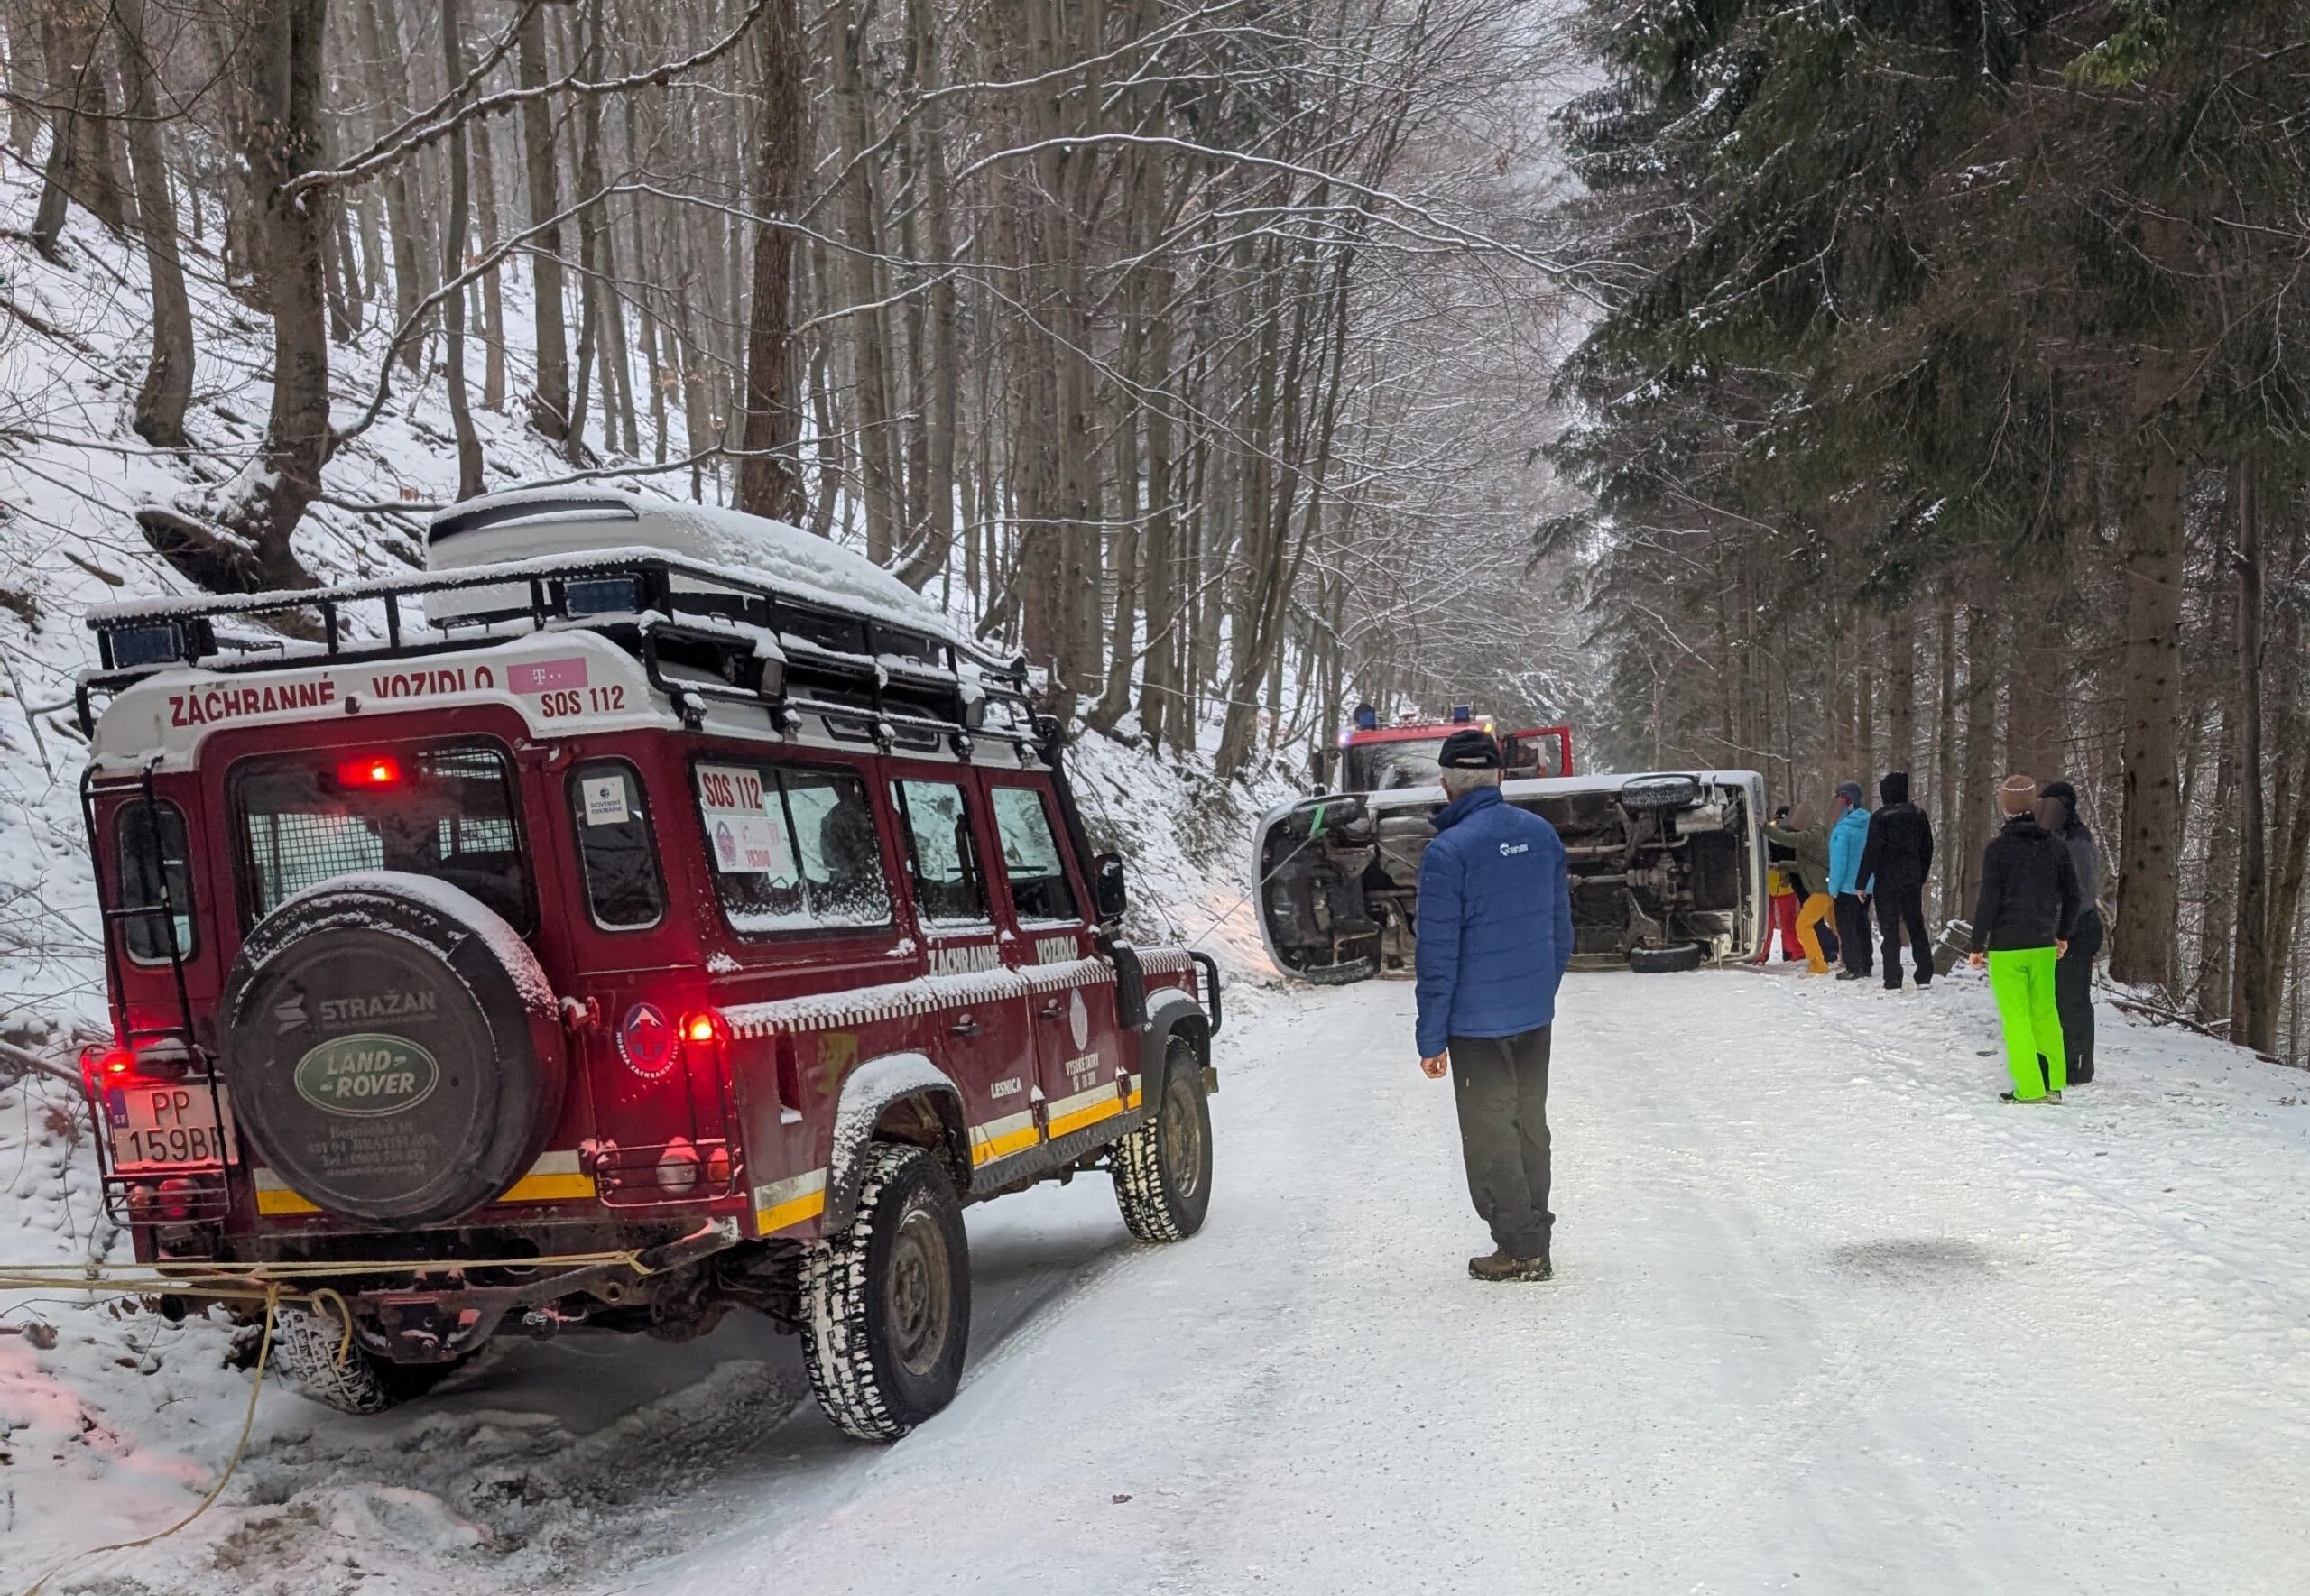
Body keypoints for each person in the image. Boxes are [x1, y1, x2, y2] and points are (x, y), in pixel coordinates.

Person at [1414, 727, 1574, 1283]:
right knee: (1530, 1123)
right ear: (1499, 775)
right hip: (1534, 1016)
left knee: (1491, 1136)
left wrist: (1431, 1038)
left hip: (1475, 1026)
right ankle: (1535, 1236)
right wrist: (1539, 990)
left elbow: (1438, 957)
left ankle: (1521, 1249)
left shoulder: (1447, 852)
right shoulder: (1541, 835)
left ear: (1446, 784)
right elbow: (1562, 930)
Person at [1968, 774, 2080, 1103]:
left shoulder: (1998, 850)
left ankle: (2029, 1088)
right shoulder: (2055, 846)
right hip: (2043, 944)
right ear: (2034, 804)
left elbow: (1988, 900)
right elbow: (2073, 896)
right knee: (2045, 1012)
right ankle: (2054, 1083)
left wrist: (1977, 944)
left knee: (2016, 1017)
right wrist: (2061, 935)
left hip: (2007, 947)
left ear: (2004, 807)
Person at [2037, 780, 2102, 1084]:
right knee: (2058, 998)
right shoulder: (2058, 836)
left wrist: (2061, 932)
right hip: (2065, 928)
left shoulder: (2076, 841)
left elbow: (2081, 893)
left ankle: (2077, 1064)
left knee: (2071, 999)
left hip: (2077, 929)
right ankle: (2062, 1059)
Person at [1857, 770, 1935, 990]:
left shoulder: (1881, 817)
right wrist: (1922, 874)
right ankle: (1925, 974)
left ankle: (1892, 978)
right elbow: (1927, 847)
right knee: (1916, 925)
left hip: (1886, 880)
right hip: (1911, 878)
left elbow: (1872, 851)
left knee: (1889, 929)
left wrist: (1861, 882)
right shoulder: (1919, 814)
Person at [1766, 800, 1837, 973]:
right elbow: (1801, 865)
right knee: (1814, 922)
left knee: (1804, 924)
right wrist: (1781, 865)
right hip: (1813, 886)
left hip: (1818, 887)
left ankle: (1821, 961)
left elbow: (1790, 841)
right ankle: (1824, 957)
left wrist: (1764, 828)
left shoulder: (1811, 835)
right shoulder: (1811, 833)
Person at [1825, 781, 1873, 981]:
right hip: (1867, 886)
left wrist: (1833, 888)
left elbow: (1838, 863)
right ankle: (1866, 963)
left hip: (1846, 888)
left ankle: (1853, 966)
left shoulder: (1842, 830)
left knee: (1847, 927)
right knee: (1862, 924)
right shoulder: (1870, 824)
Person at [1753, 806, 1805, 964]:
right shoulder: (1770, 831)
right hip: (1770, 884)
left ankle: (1792, 951)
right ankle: (1763, 952)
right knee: (1768, 922)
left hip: (1784, 884)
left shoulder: (1794, 832)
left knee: (1787, 921)